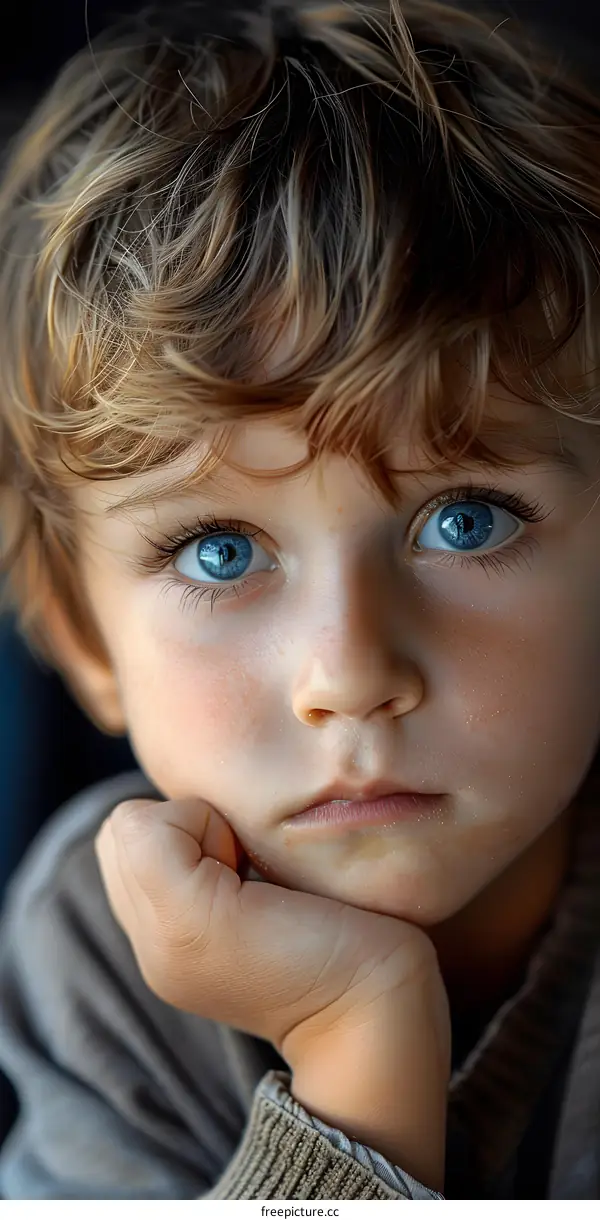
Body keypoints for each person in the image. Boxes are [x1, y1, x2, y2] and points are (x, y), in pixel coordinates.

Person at [0, 0, 599, 1200]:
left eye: (465, 518)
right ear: (83, 636)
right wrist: (352, 1034)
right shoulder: (96, 946)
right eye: (222, 552)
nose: (351, 669)